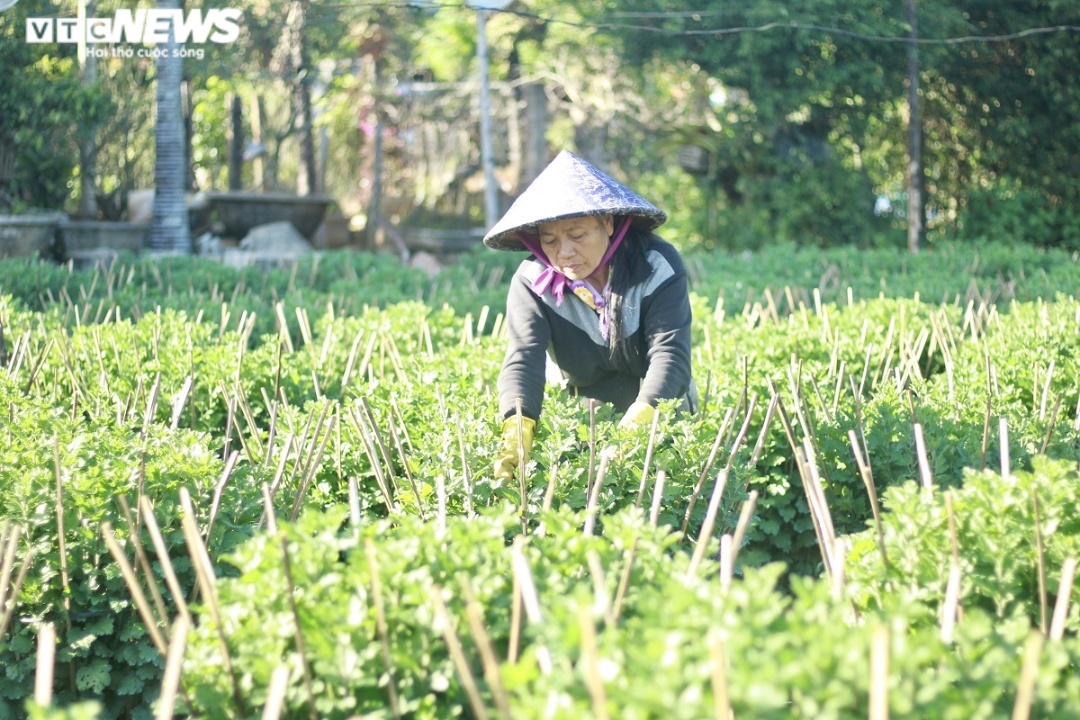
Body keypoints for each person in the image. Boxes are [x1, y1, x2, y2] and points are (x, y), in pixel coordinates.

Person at [484, 150, 696, 479]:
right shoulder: (531, 284)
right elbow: (523, 358)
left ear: (607, 222)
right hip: (585, 421)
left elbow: (670, 355)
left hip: (660, 414)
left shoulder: (656, 265)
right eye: (550, 240)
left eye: (578, 234)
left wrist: (638, 425)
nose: (564, 252)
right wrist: (517, 427)